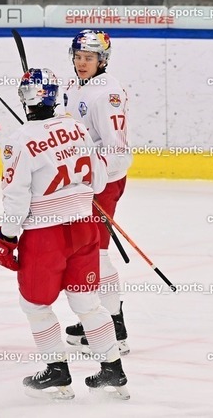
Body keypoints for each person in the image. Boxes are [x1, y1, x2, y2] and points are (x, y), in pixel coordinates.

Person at [0, 68, 129, 399]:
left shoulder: (18, 141)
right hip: (85, 229)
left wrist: (7, 237)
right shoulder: (78, 129)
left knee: (36, 305)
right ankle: (112, 369)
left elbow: (16, 198)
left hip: (44, 237)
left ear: (24, 98)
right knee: (86, 302)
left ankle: (56, 372)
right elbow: (99, 181)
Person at [63, 29, 132, 354]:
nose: (82, 63)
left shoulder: (108, 93)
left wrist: (89, 177)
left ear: (102, 60)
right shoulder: (77, 85)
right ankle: (99, 318)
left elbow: (117, 151)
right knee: (85, 253)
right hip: (82, 181)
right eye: (78, 57)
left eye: (89, 58)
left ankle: (115, 326)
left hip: (103, 181)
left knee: (98, 253)